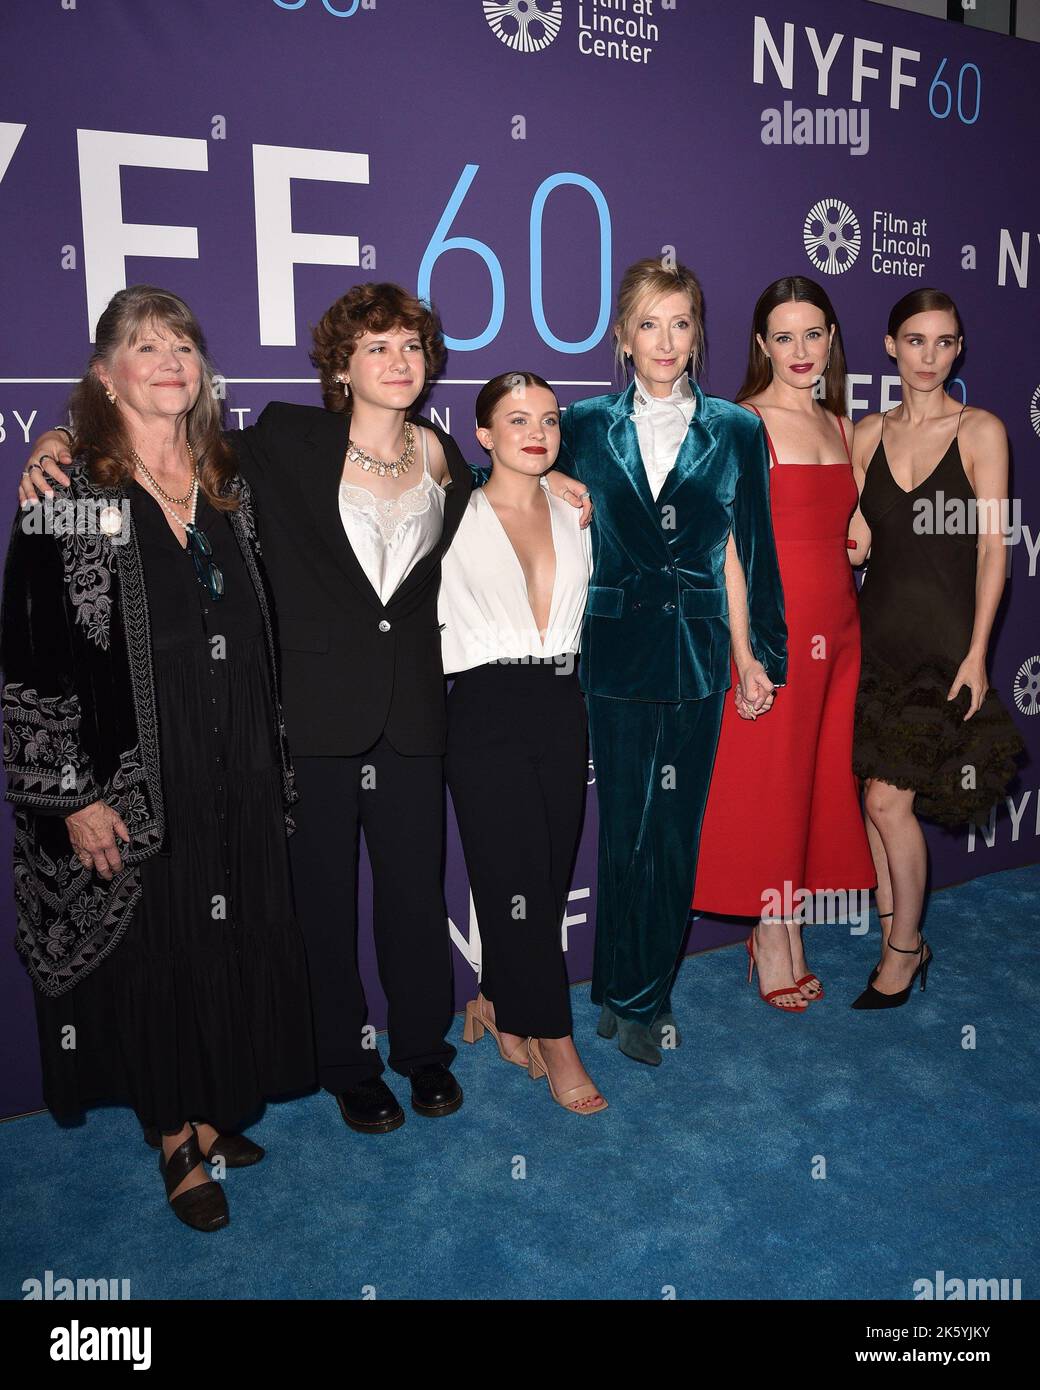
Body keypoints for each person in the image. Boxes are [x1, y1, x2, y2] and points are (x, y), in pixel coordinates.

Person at [22, 282, 591, 1134]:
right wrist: (65, 436)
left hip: (413, 717)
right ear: (341, 366)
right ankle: (346, 1064)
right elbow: (165, 438)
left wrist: (558, 481)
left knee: (411, 896)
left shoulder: (440, 455)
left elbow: (506, 484)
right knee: (321, 906)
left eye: (410, 347)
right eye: (377, 348)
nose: (399, 362)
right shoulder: (285, 439)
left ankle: (422, 1053)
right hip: (314, 722)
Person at [1, 286, 314, 1232]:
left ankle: (218, 1102)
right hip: (142, 770)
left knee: (232, 937)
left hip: (242, 764)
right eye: (145, 345)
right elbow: (29, 656)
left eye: (182, 341)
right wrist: (73, 798)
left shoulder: (231, 480)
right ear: (106, 375)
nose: (170, 357)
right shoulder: (76, 495)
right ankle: (175, 1136)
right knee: (162, 955)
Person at [556, 258, 788, 1065]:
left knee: (675, 836)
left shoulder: (737, 429)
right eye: (648, 324)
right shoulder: (581, 424)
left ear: (698, 336)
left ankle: (647, 996)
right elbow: (516, 495)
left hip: (695, 655)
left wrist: (756, 655)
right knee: (623, 830)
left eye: (680, 323)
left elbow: (746, 550)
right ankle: (613, 987)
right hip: (614, 651)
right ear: (622, 337)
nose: (665, 339)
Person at [692, 278, 876, 1010]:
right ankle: (772, 933)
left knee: (817, 781)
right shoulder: (741, 422)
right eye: (784, 337)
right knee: (771, 784)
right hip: (778, 629)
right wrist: (746, 653)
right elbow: (726, 548)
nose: (800, 351)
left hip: (841, 628)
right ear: (763, 345)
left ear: (831, 339)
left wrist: (860, 532)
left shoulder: (839, 422)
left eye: (813, 334)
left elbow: (849, 526)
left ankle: (789, 920)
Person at [849, 288, 1025, 1009]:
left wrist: (979, 650)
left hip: (944, 645)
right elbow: (855, 540)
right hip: (875, 639)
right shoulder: (866, 434)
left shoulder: (981, 430)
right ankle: (897, 927)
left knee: (891, 802)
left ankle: (903, 950)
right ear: (890, 346)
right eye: (915, 341)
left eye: (944, 342)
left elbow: (993, 549)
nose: (929, 357)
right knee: (870, 798)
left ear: (958, 349)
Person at [442, 372, 605, 1114]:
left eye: (547, 419)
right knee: (511, 877)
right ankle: (556, 1038)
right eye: (515, 420)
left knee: (540, 878)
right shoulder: (448, 511)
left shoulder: (576, 510)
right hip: (484, 706)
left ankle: (496, 999)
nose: (536, 432)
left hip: (562, 704)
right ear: (483, 435)